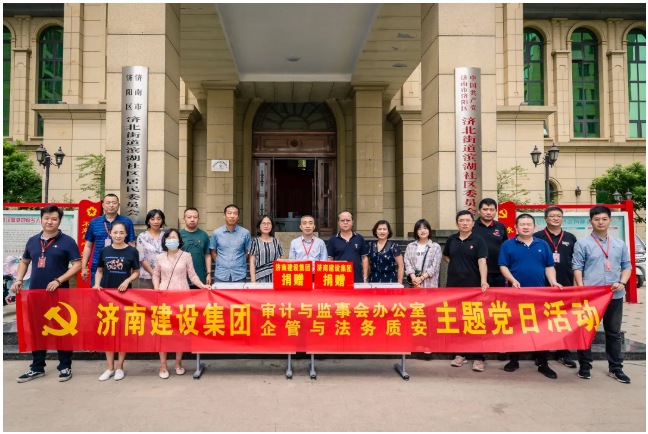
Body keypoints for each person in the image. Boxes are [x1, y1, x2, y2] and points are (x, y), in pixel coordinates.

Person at [13, 205, 82, 383]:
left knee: (62, 330)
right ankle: (37, 367)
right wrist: (19, 279)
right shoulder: (32, 241)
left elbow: (77, 265)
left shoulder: (68, 241)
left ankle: (65, 366)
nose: (50, 222)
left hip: (59, 294)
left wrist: (59, 280)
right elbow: (24, 261)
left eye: (54, 219)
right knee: (37, 330)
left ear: (59, 221)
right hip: (36, 293)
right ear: (41, 219)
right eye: (46, 218)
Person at [573, 206, 632, 383]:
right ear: (590, 221)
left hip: (614, 295)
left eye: (604, 219)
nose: (600, 222)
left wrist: (622, 282)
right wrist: (581, 289)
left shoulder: (619, 244)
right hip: (591, 296)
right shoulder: (583, 243)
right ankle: (585, 366)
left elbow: (627, 266)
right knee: (586, 331)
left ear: (610, 221)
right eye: (597, 219)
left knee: (613, 333)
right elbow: (577, 267)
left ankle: (616, 368)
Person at [498, 213, 562, 379]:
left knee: (541, 328)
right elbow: (503, 266)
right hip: (515, 293)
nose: (525, 227)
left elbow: (549, 266)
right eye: (522, 224)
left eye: (529, 224)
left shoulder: (543, 245)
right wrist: (512, 280)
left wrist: (553, 282)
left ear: (534, 227)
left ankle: (543, 363)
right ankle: (514, 360)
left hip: (538, 294)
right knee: (515, 327)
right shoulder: (508, 244)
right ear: (516, 227)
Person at [153, 229, 210, 378]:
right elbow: (156, 275)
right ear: (165, 240)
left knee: (180, 331)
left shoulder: (186, 256)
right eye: (169, 237)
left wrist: (202, 286)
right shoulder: (159, 257)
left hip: (183, 297)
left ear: (179, 240)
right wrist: (157, 289)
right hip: (164, 297)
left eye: (174, 237)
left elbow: (192, 275)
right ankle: (163, 365)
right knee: (163, 332)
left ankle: (178, 363)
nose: (171, 240)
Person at [93, 221, 140, 382]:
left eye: (121, 233)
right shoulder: (105, 250)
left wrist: (127, 280)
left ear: (126, 234)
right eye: (115, 232)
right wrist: (97, 284)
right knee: (109, 331)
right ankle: (109, 368)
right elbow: (99, 270)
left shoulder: (132, 251)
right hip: (107, 297)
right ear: (110, 233)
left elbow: (136, 272)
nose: (118, 235)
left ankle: (120, 366)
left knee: (121, 332)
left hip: (125, 296)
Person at [534, 206, 579, 369]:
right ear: (545, 219)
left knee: (563, 320)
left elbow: (576, 262)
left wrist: (577, 285)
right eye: (552, 216)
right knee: (542, 321)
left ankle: (564, 353)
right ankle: (541, 355)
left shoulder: (570, 238)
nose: (555, 218)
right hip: (543, 285)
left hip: (565, 285)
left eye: (558, 216)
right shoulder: (537, 237)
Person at [444, 210, 489, 372]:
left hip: (473, 287)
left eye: (468, 220)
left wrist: (483, 280)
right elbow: (446, 256)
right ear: (457, 223)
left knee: (475, 320)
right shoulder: (452, 239)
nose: (464, 223)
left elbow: (482, 261)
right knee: (458, 321)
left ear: (472, 223)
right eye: (461, 220)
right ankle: (460, 354)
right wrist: (458, 265)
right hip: (454, 286)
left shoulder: (478, 240)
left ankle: (478, 357)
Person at [81, 194, 136, 287]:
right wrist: (83, 267)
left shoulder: (127, 222)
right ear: (103, 205)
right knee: (98, 294)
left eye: (114, 203)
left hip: (121, 267)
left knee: (121, 295)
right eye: (108, 203)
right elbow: (88, 246)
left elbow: (131, 245)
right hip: (98, 267)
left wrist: (131, 266)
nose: (111, 205)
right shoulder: (94, 222)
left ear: (118, 205)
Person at [472, 198, 508, 288]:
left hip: (498, 271)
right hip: (476, 271)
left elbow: (505, 247)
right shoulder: (472, 226)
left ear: (496, 211)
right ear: (479, 211)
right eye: (485, 209)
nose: (488, 212)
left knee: (498, 296)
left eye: (492, 210)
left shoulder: (501, 227)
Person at [210, 204, 251, 283]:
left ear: (238, 217)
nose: (232, 216)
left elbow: (247, 251)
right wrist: (221, 262)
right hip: (221, 274)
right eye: (229, 213)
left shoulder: (245, 233)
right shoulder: (216, 233)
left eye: (235, 213)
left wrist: (239, 262)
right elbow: (213, 251)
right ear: (224, 216)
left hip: (239, 274)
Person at [327, 211, 369, 283]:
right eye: (342, 220)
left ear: (352, 222)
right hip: (339, 278)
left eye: (348, 220)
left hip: (357, 278)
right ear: (338, 222)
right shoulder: (333, 239)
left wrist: (365, 277)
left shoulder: (359, 238)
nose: (345, 222)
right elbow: (330, 259)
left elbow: (364, 258)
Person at [404, 219, 442, 288]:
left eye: (425, 228)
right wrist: (415, 280)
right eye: (419, 229)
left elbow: (434, 267)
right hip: (414, 284)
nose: (422, 231)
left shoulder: (435, 247)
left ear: (429, 230)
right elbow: (407, 264)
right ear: (416, 232)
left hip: (430, 284)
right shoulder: (410, 246)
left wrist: (421, 278)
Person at [179, 208, 211, 289]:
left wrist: (209, 273)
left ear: (198, 219)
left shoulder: (204, 235)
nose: (192, 219)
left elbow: (207, 255)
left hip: (200, 276)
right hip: (182, 278)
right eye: (189, 217)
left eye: (195, 217)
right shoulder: (178, 235)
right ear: (184, 219)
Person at [136, 209, 165, 289]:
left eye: (158, 219)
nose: (156, 221)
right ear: (148, 221)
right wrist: (153, 273)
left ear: (162, 220)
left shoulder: (166, 236)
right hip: (146, 276)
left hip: (164, 276)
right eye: (152, 219)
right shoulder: (142, 236)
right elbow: (141, 258)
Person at [249, 215, 284, 283]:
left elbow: (279, 262)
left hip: (274, 278)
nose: (266, 226)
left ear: (272, 226)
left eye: (268, 223)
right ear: (259, 226)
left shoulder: (277, 242)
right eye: (263, 223)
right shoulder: (254, 242)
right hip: (259, 278)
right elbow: (252, 263)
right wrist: (253, 281)